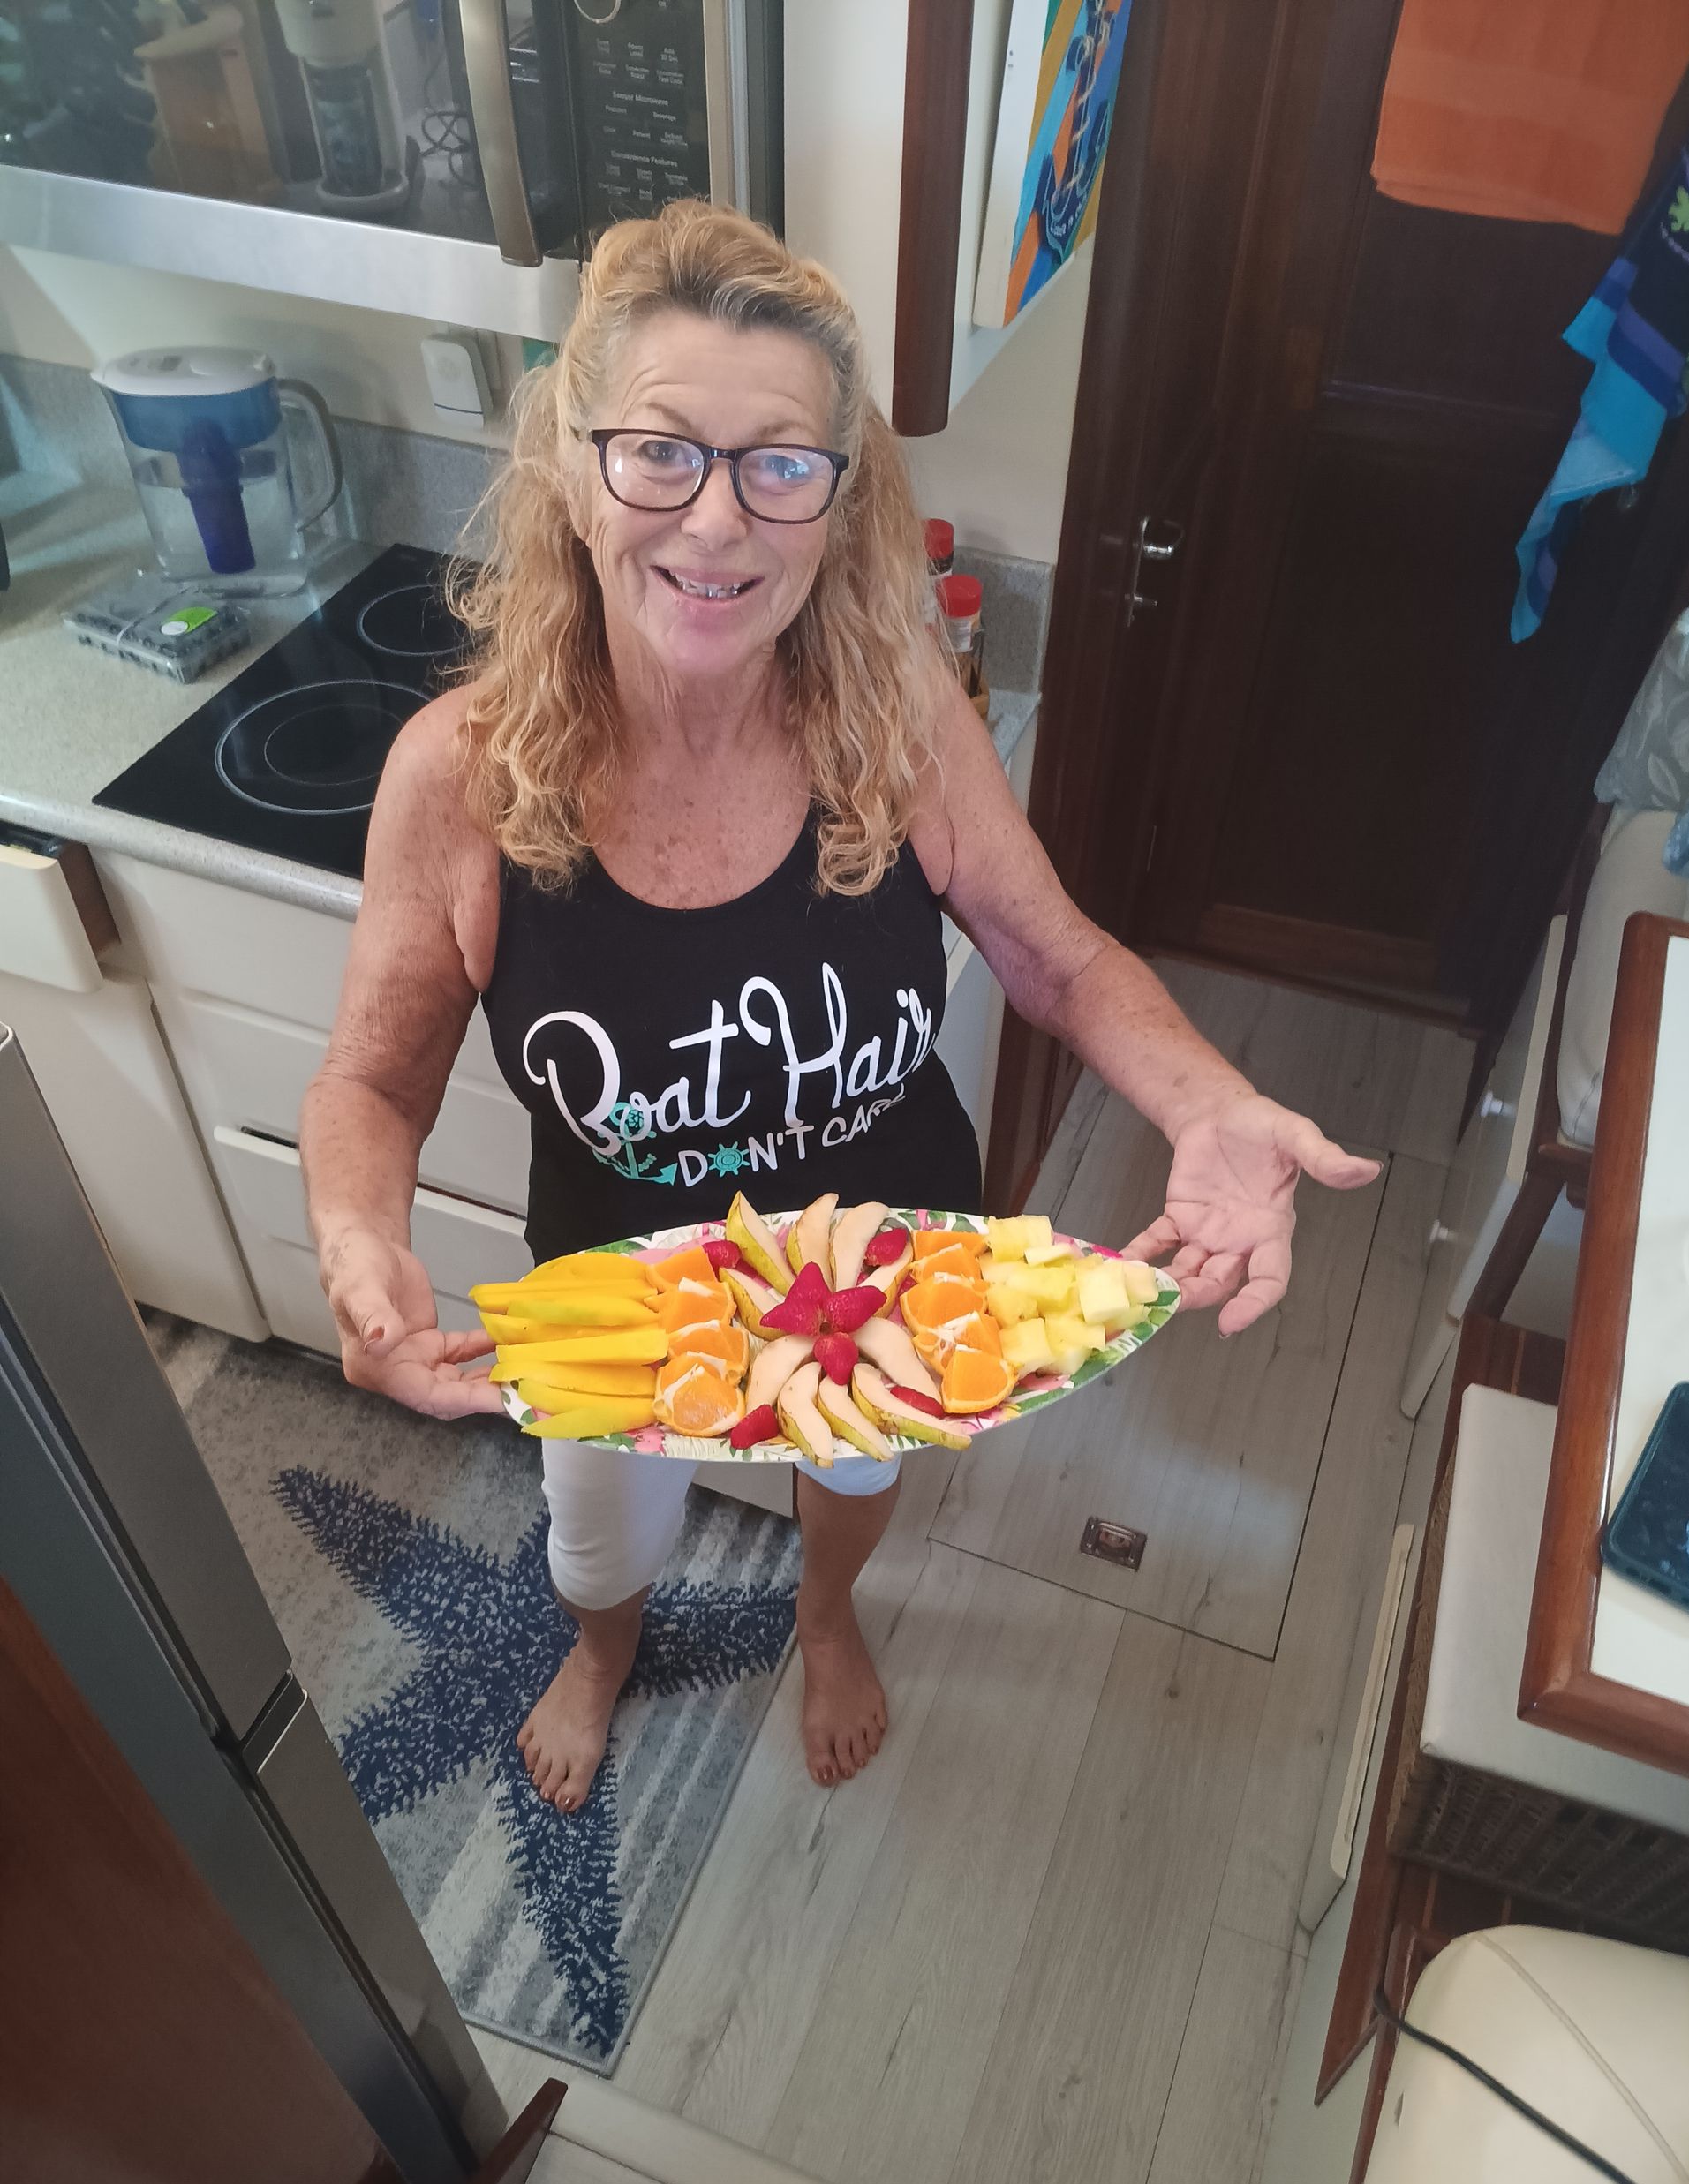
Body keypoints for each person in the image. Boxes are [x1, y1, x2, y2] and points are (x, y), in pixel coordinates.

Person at [300, 202, 1378, 1814]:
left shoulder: (902, 722)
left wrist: (1208, 1102)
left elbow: (1058, 956)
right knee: (604, 1536)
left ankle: (825, 1619)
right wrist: (355, 1236)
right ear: (575, 476)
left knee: (856, 1466)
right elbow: (374, 1085)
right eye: (662, 452)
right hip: (620, 1293)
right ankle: (603, 1652)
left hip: (889, 1264)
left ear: (835, 498)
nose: (719, 522)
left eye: (780, 463)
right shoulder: (458, 779)